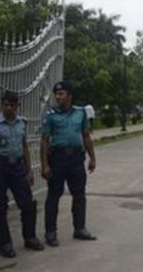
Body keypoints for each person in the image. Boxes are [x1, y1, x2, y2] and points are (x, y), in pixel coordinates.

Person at [0, 91, 45, 258]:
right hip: (0, 166)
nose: (8, 108)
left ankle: (30, 237)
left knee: (27, 203)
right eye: (5, 105)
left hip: (17, 166)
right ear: (2, 105)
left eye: (12, 105)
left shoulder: (21, 122)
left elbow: (24, 147)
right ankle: (5, 243)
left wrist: (29, 170)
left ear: (17, 106)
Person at [41, 81, 97, 246]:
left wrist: (92, 157)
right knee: (53, 196)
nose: (57, 97)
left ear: (69, 96)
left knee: (79, 195)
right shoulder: (51, 115)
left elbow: (86, 136)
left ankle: (80, 229)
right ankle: (50, 232)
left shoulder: (80, 113)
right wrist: (45, 164)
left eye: (61, 94)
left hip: (76, 160)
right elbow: (44, 141)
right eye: (56, 94)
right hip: (57, 159)